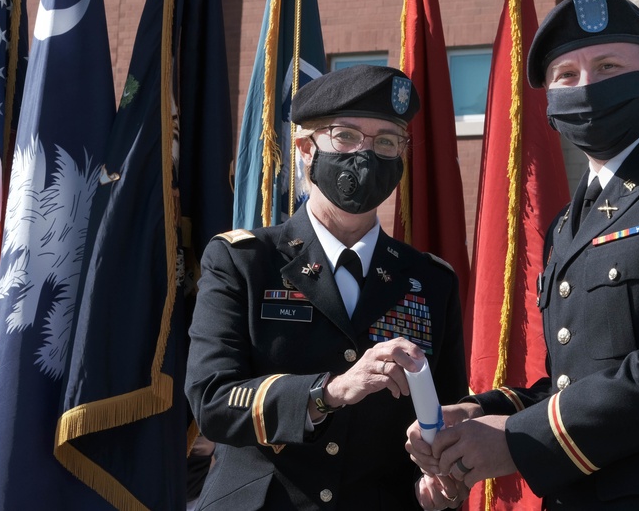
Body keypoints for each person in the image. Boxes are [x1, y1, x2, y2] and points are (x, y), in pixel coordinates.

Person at [407, 0, 639, 509]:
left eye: (608, 66)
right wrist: (483, 413)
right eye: (566, 75)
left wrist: (519, 441)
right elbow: (579, 376)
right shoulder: (569, 221)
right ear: (549, 101)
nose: (586, 87)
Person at [187, 64, 468, 510]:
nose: (366, 154)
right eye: (346, 136)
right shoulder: (245, 261)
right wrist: (328, 392)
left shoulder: (431, 280)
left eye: (386, 141)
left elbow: (443, 415)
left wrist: (435, 479)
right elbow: (213, 400)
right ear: (304, 148)